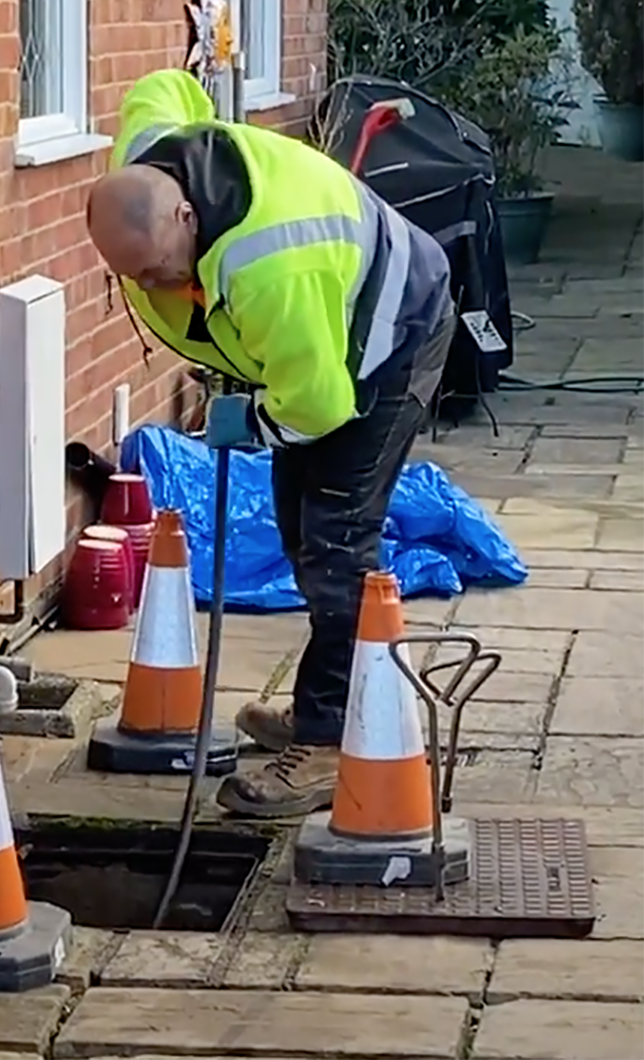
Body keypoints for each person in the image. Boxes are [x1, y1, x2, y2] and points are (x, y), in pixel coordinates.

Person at [86, 67, 455, 818]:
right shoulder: (148, 158)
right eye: (138, 276)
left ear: (188, 215)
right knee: (298, 521)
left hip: (390, 337)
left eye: (161, 267)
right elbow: (160, 85)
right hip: (318, 339)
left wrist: (251, 421)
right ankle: (337, 701)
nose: (157, 285)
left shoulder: (270, 265)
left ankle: (328, 742)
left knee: (335, 539)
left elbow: (319, 406)